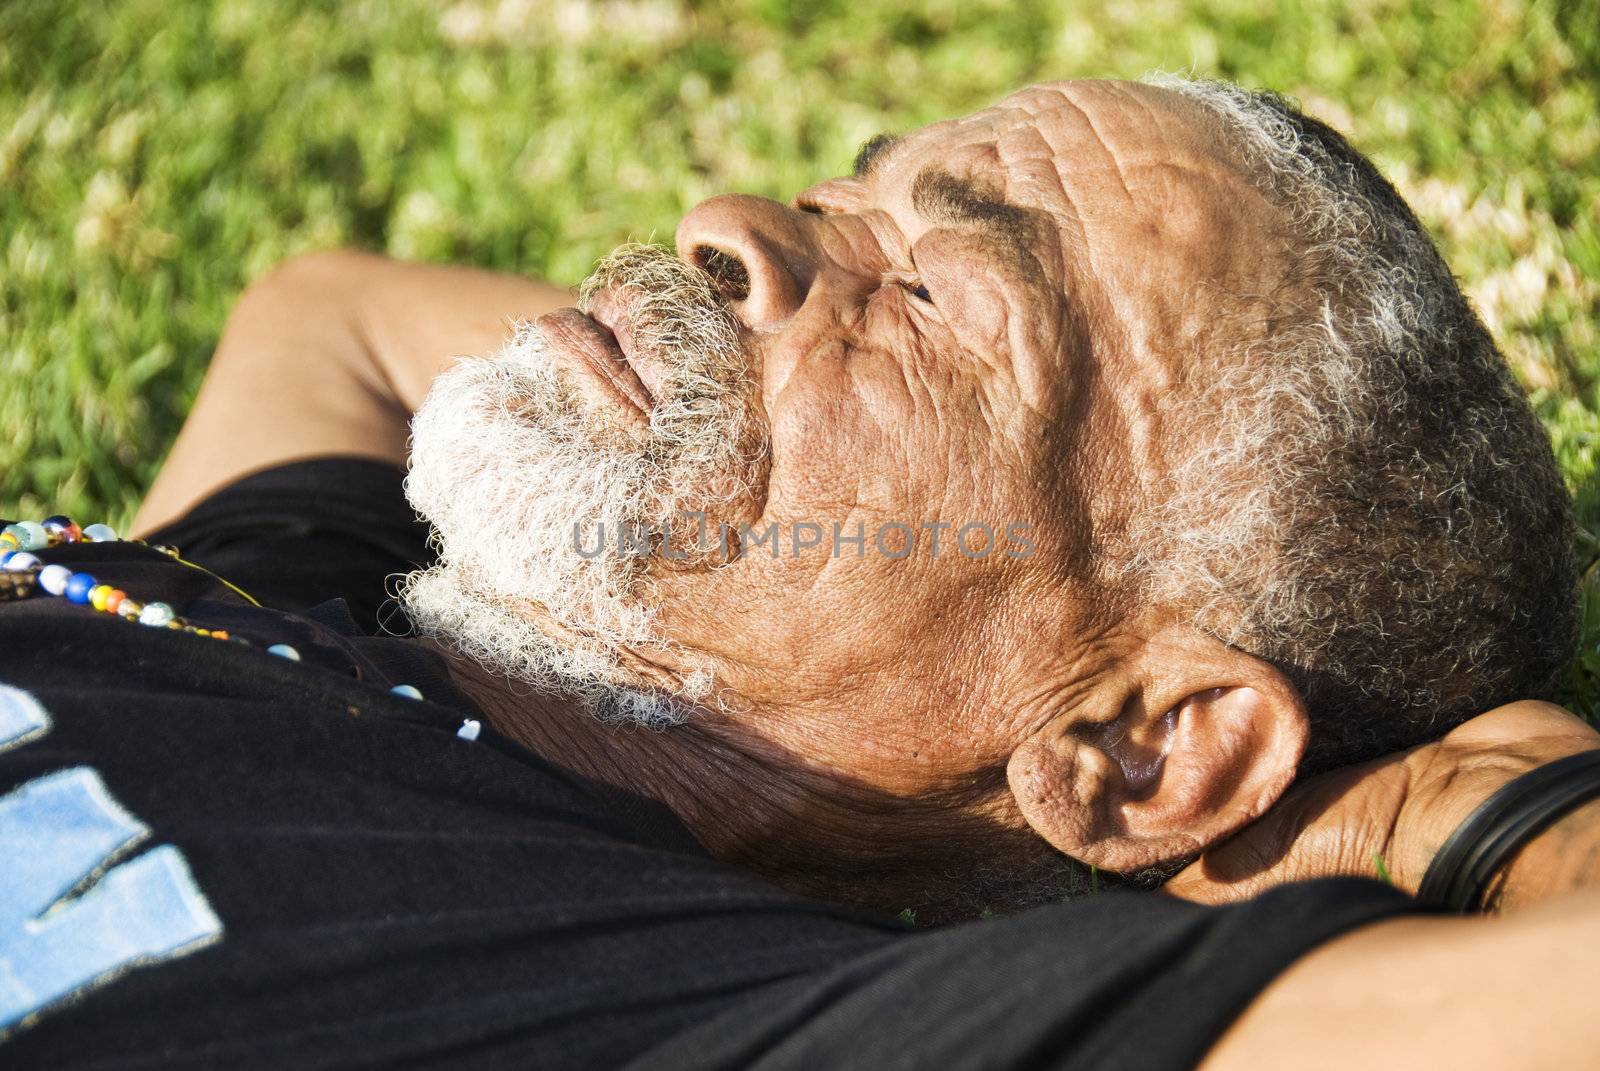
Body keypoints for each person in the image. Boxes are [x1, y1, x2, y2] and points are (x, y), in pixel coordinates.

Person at [2, 76, 1597, 1068]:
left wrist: (1476, 803)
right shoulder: (298, 595)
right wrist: (690, 419)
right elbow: (331, 319)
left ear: (1141, 744)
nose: (727, 225)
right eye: (847, 193)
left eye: (923, 294)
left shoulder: (706, 1007)